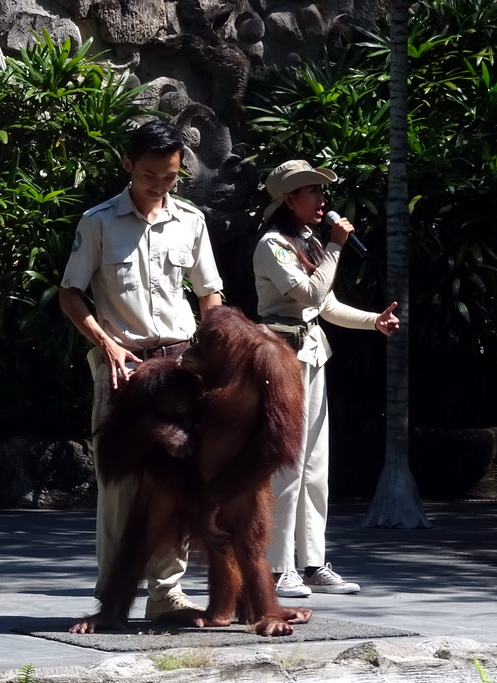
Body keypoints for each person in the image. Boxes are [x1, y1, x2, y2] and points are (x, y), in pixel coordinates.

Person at [59, 119, 224, 620]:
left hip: (177, 365)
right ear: (128, 165)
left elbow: (209, 294)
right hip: (122, 367)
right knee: (118, 482)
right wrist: (105, 343)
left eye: (171, 176)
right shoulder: (99, 222)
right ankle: (112, 597)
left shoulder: (191, 221)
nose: (160, 185)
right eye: (151, 174)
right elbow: (70, 293)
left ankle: (165, 594)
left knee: (175, 477)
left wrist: (213, 351)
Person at [253, 159, 399, 598]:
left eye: (321, 190)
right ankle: (278, 568)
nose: (322, 200)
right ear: (288, 200)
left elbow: (327, 306)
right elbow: (309, 293)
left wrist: (374, 321)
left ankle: (311, 562)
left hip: (313, 355)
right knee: (288, 464)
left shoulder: (310, 241)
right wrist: (336, 247)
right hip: (281, 358)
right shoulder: (272, 245)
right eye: (311, 191)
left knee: (316, 466)